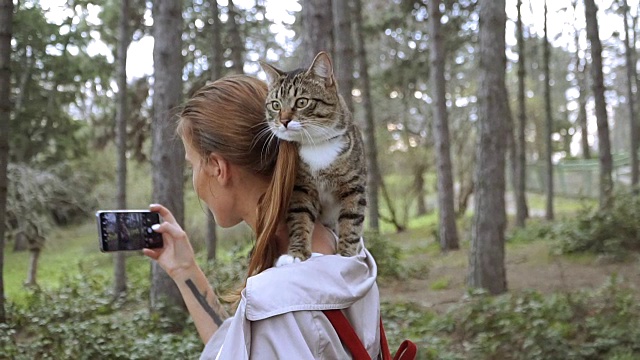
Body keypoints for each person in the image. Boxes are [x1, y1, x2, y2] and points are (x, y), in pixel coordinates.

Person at [143, 75, 381, 359]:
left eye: (192, 165)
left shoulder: (276, 302)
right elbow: (236, 346)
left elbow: (272, 322)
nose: (193, 180)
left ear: (218, 168)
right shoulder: (343, 248)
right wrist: (185, 271)